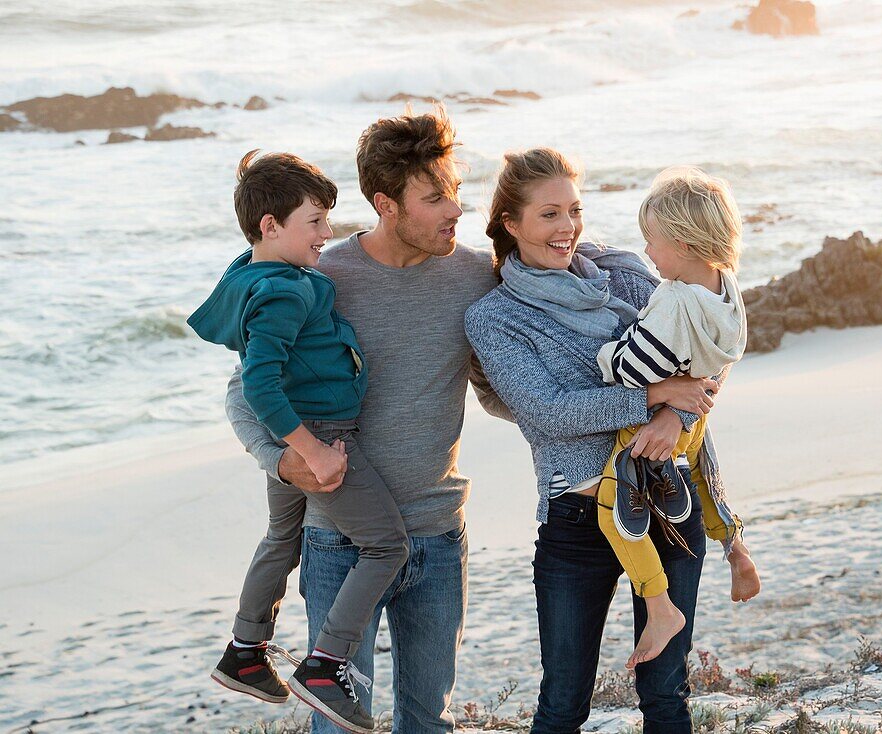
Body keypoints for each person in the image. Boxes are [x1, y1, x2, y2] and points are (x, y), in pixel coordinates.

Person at [224, 110, 510, 734]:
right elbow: (243, 392)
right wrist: (281, 459)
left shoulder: (472, 278)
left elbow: (500, 390)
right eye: (435, 198)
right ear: (386, 203)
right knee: (336, 726)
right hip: (335, 542)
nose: (455, 210)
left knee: (427, 721)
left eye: (455, 192)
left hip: (438, 534)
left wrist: (639, 393)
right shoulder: (319, 279)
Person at [464, 148, 743, 733]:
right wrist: (652, 397)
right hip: (577, 520)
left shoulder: (625, 274)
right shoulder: (495, 317)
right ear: (511, 224)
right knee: (564, 704)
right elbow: (547, 413)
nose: (567, 228)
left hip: (669, 500)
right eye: (548, 215)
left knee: (667, 695)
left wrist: (674, 420)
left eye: (574, 210)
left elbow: (706, 354)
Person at [189, 151, 407, 733]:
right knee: (387, 545)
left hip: (298, 435)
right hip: (323, 436)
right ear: (270, 226)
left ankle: (245, 650)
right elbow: (258, 380)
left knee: (282, 538)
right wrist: (312, 451)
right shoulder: (287, 291)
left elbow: (259, 369)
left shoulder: (249, 272)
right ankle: (325, 663)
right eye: (314, 221)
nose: (326, 233)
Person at [594, 167, 761, 671]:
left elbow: (632, 371)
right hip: (696, 418)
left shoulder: (672, 300)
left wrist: (606, 353)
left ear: (685, 244)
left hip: (646, 429)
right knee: (702, 479)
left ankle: (658, 603)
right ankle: (734, 544)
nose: (647, 254)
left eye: (652, 242)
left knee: (614, 509)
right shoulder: (726, 288)